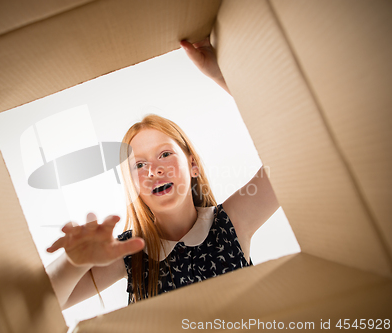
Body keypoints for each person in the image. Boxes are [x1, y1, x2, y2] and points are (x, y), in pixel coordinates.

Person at [45, 38, 279, 308]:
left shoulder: (231, 223)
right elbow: (40, 306)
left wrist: (224, 75)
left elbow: (296, 145)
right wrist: (73, 263)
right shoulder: (129, 251)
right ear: (133, 185)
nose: (154, 169)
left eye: (165, 154)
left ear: (193, 165)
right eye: (139, 165)